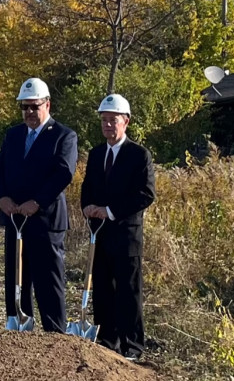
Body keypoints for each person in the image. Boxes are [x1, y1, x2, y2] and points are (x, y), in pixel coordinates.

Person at [0, 77, 78, 333]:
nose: (29, 112)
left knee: (48, 281)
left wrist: (37, 202)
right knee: (17, 277)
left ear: (47, 105)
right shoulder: (14, 134)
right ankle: (19, 327)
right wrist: (2, 198)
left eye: (34, 106)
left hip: (46, 221)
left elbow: (64, 173)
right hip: (15, 218)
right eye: (24, 107)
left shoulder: (64, 135)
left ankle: (55, 333)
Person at [80, 94, 156, 361]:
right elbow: (87, 187)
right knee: (102, 289)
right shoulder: (97, 153)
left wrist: (110, 212)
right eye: (104, 120)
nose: (108, 125)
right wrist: (87, 206)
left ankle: (132, 346)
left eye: (113, 120)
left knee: (128, 292)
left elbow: (145, 194)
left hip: (126, 236)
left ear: (126, 121)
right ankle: (107, 341)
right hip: (99, 234)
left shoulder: (139, 155)